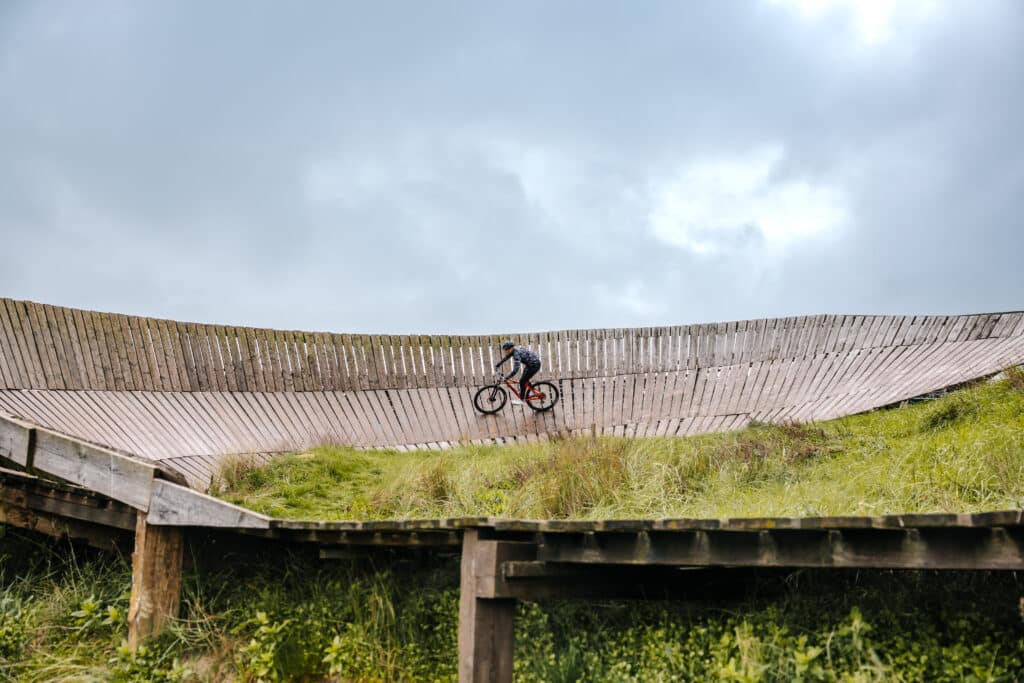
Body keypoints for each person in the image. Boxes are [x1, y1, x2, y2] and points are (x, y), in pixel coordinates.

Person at [495, 339, 541, 405]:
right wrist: (498, 365)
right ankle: (531, 390)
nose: (505, 351)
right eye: (505, 350)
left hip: (534, 365)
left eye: (506, 350)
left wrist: (507, 378)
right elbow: (506, 358)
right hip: (530, 364)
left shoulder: (516, 354)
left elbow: (515, 370)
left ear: (511, 348)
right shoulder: (513, 350)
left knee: (522, 381)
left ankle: (522, 400)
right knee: (523, 380)